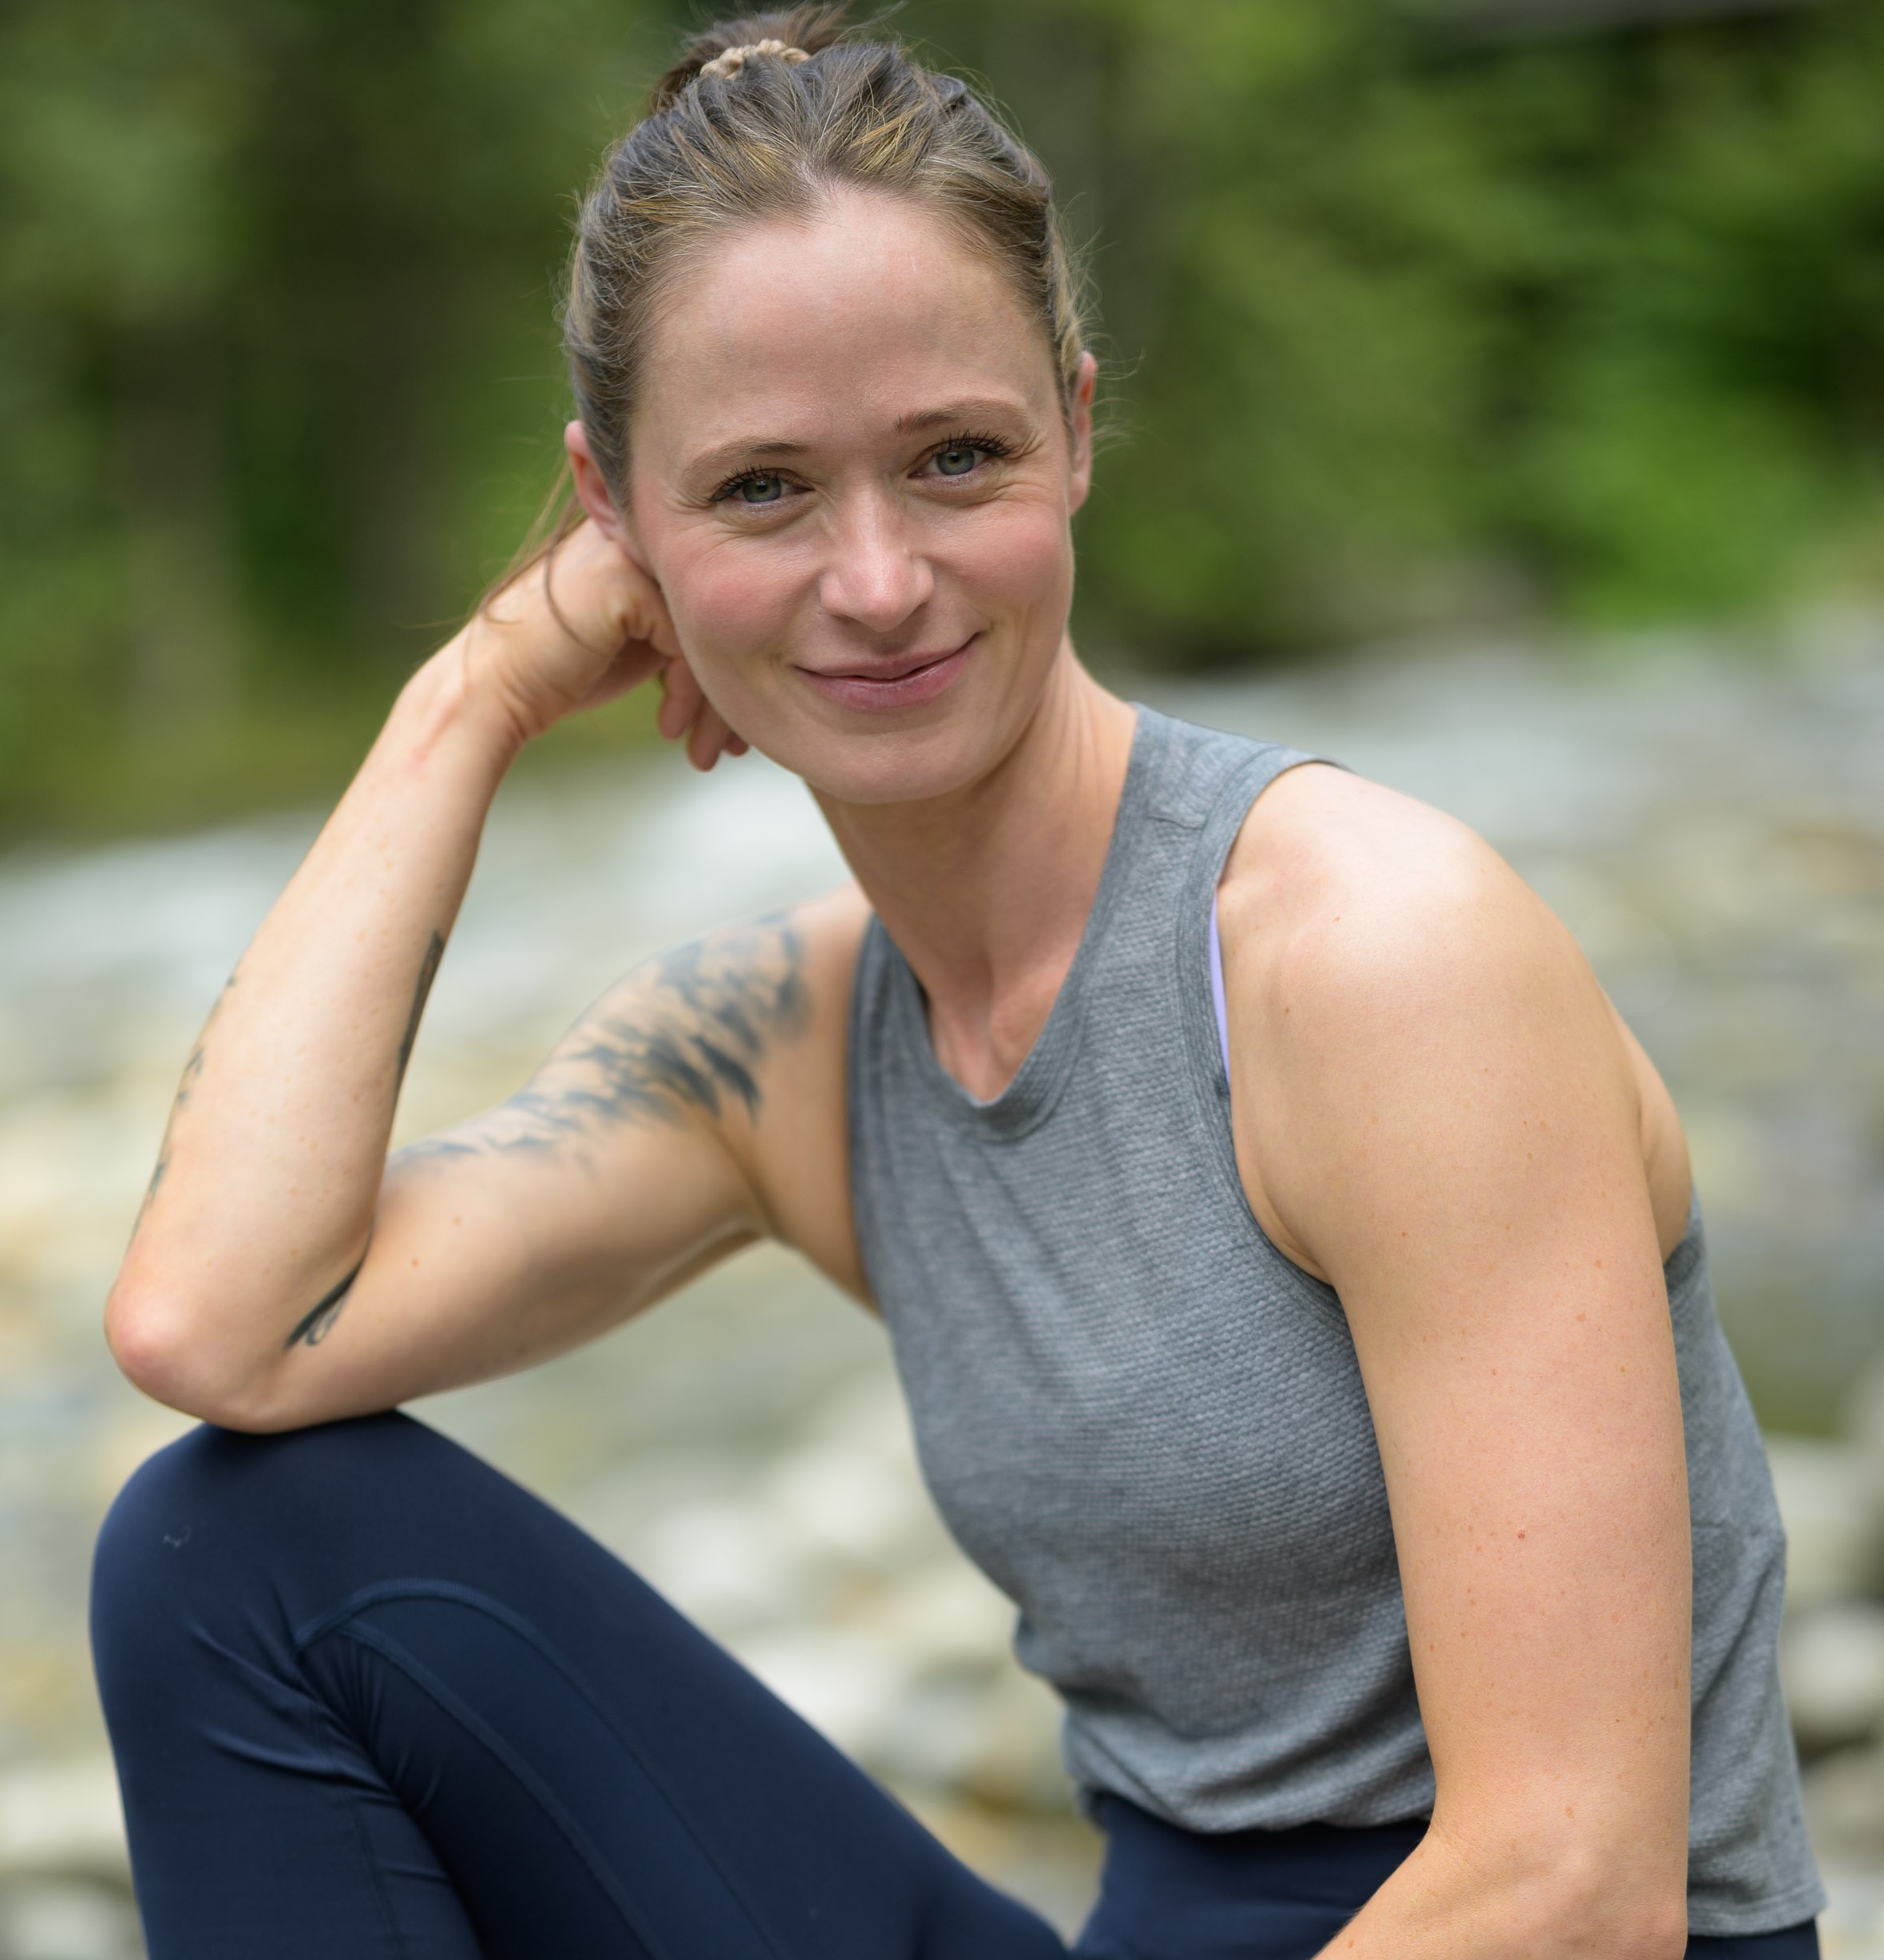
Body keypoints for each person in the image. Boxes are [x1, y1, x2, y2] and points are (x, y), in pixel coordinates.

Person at [89, 9, 1823, 1957]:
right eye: (758, 490)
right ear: (616, 521)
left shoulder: (1368, 956)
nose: (880, 576)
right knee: (222, 1552)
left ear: (1077, 429)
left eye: (955, 457)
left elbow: (1578, 1878)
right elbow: (220, 1328)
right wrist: (469, 695)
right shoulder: (787, 1048)